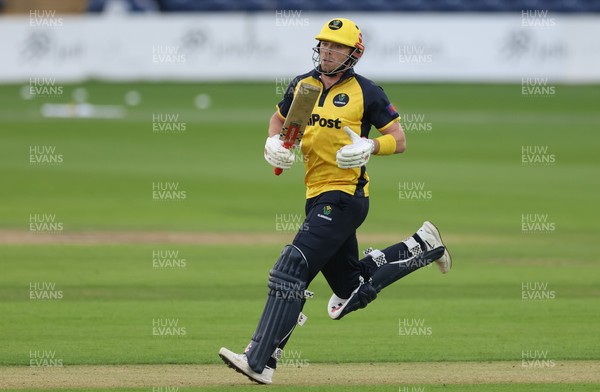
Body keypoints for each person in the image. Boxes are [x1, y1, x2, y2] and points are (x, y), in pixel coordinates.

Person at [219, 17, 452, 385]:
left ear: (353, 53)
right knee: (350, 290)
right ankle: (424, 245)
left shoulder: (368, 92)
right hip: (315, 195)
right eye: (324, 44)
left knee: (290, 267)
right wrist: (274, 144)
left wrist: (370, 145)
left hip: (346, 196)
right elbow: (279, 122)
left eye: (336, 46)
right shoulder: (303, 85)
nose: (327, 51)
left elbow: (399, 139)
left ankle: (260, 358)